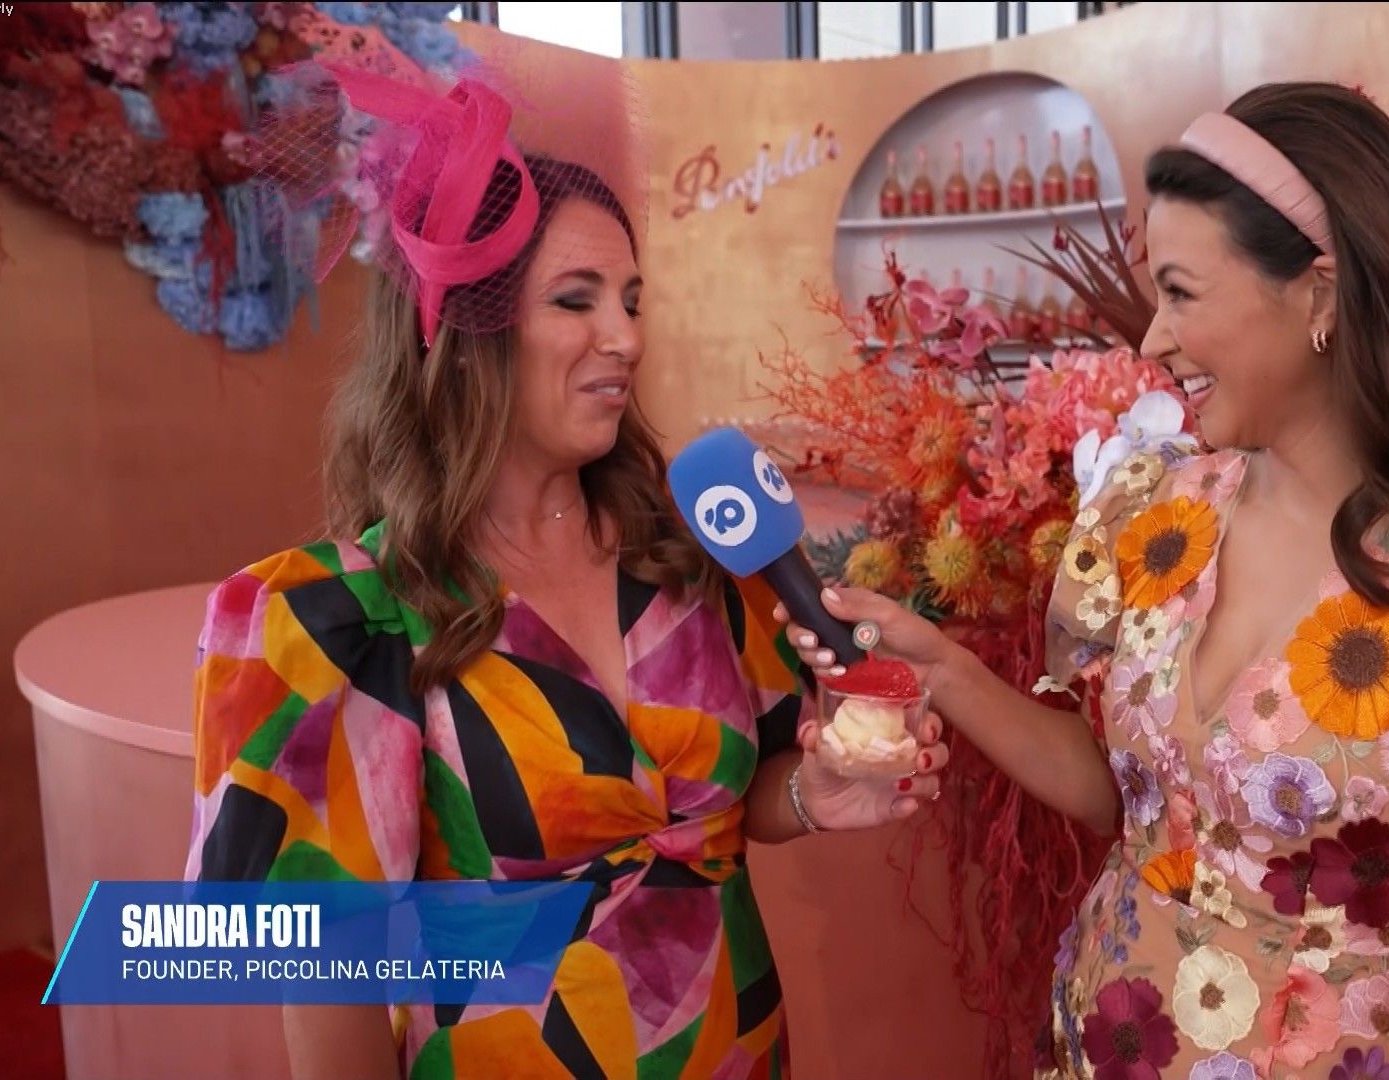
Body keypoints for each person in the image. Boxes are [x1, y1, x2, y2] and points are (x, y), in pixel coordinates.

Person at [775, 82, 1389, 1079]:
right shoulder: (1157, 515)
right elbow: (1124, 799)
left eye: (1181, 292)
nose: (1151, 340)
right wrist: (944, 671)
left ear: (1321, 295)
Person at [186, 60, 945, 1080]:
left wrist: (816, 791)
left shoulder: (691, 549)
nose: (625, 338)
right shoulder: (342, 618)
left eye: (630, 301)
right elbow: (332, 996)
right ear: (466, 333)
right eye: (576, 301)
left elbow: (740, 805)